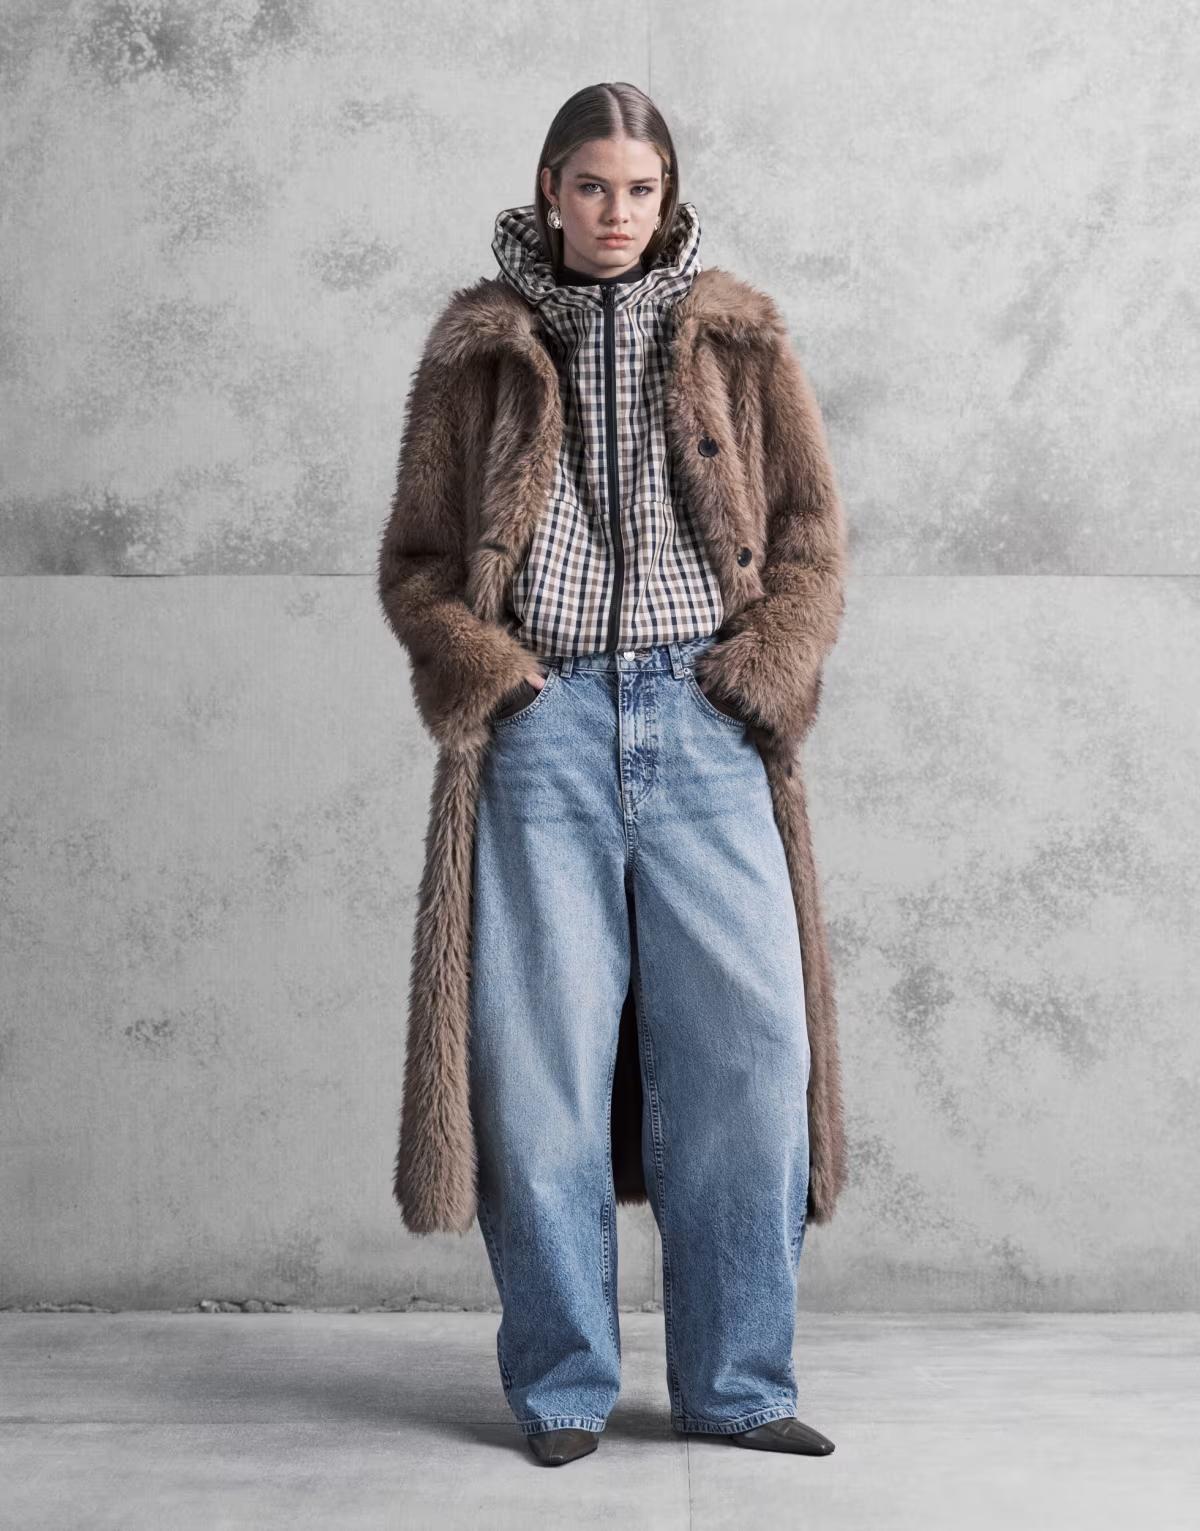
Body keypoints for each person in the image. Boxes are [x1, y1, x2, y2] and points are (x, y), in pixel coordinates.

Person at [377, 82, 848, 1468]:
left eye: (641, 189)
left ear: (668, 195)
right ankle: (563, 1387)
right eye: (593, 186)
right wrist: (495, 671)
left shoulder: (740, 336)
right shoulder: (480, 348)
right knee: (537, 1067)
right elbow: (418, 561)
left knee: (751, 1056)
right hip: (547, 729)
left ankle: (739, 1384)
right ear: (550, 188)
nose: (617, 213)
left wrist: (761, 672)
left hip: (705, 723)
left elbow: (810, 535)